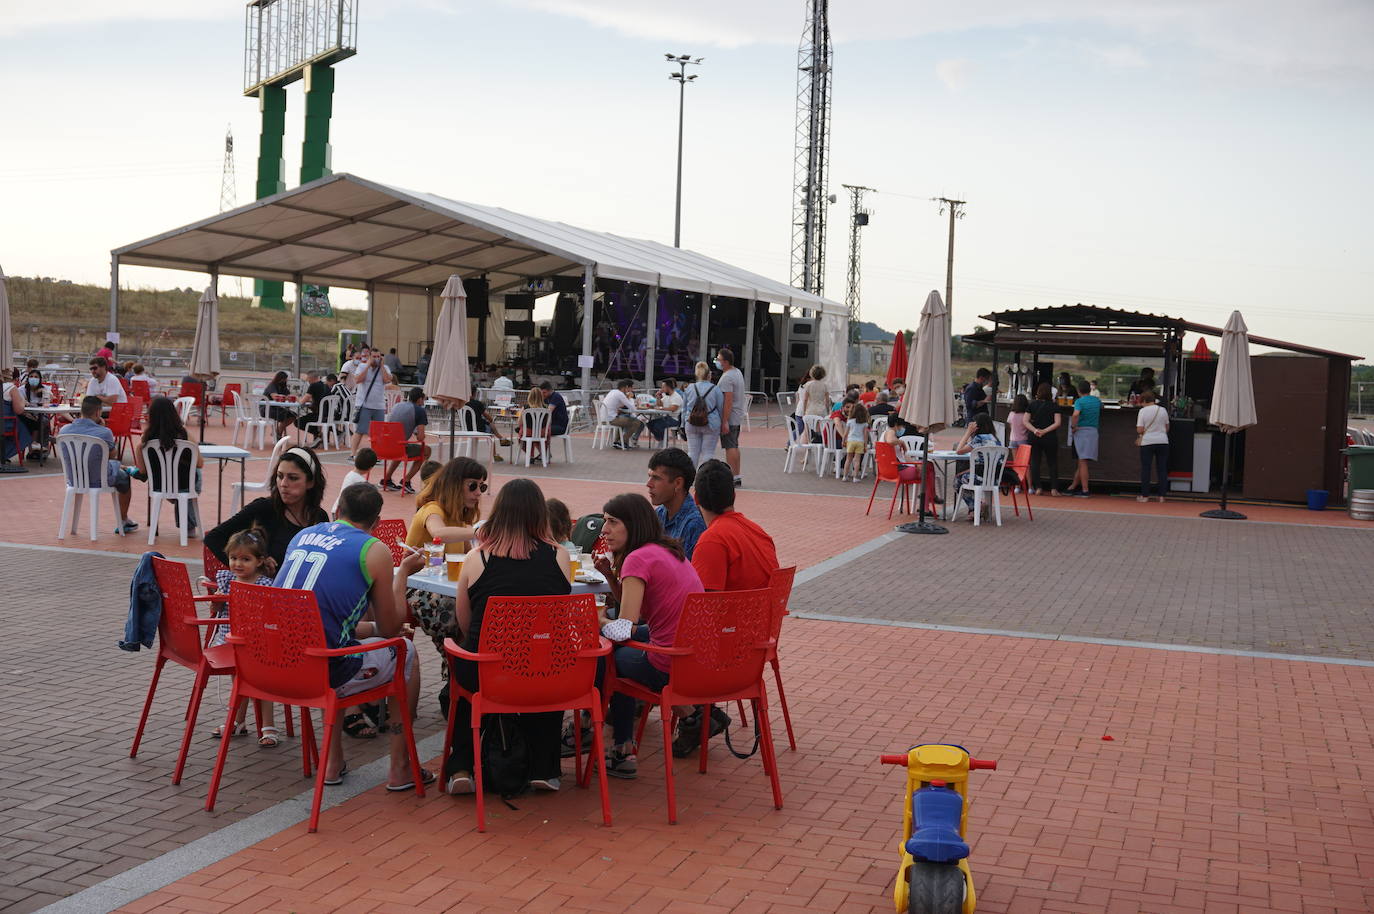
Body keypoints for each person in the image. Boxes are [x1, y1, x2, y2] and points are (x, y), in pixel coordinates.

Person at [276, 482, 433, 791]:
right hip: (323, 669)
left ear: (337, 511)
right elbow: (391, 629)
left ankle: (332, 763)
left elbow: (324, 619)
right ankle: (401, 768)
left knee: (332, 642)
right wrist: (402, 574)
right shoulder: (373, 549)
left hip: (275, 661)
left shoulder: (304, 534)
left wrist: (373, 630)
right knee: (406, 652)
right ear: (376, 523)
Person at [443, 479, 571, 795]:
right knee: (543, 666)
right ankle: (543, 767)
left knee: (459, 682)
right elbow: (558, 619)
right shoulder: (560, 556)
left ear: (498, 513)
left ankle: (461, 767)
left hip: (487, 670)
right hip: (541, 670)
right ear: (539, 514)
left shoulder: (478, 558)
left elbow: (466, 621)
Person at [592, 493, 703, 779]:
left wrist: (598, 620)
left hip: (667, 661)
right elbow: (637, 615)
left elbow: (623, 626)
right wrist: (610, 577)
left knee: (608, 654)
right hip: (693, 657)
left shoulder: (637, 558)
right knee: (617, 646)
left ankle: (614, 745)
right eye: (605, 522)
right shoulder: (665, 549)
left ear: (634, 524)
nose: (604, 530)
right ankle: (687, 713)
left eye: (613, 522)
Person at [198, 527, 279, 744]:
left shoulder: (264, 584)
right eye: (234, 558)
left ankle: (268, 726)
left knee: (261, 683)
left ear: (260, 561)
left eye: (245, 559)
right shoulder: (226, 580)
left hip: (258, 644)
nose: (238, 564)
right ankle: (237, 721)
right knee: (239, 684)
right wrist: (216, 600)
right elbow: (216, 610)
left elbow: (271, 615)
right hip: (230, 642)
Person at [406, 457, 488, 663]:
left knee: (483, 606)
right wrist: (476, 530)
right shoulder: (432, 509)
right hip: (415, 588)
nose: (478, 492)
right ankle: (457, 668)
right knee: (457, 616)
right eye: (472, 486)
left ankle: (460, 667)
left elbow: (472, 555)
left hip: (445, 589)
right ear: (454, 485)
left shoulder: (459, 518)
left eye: (482, 486)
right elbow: (438, 533)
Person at [205, 446, 329, 568]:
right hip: (266, 587)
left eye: (293, 478)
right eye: (280, 476)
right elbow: (214, 537)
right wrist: (252, 568)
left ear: (310, 482)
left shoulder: (319, 518)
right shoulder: (264, 508)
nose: (283, 484)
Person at [690, 459, 778, 592]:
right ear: (734, 496)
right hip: (764, 611)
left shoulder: (711, 541)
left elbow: (704, 604)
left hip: (734, 612)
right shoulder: (757, 531)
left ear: (696, 498)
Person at [56, 396, 137, 531]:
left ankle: (125, 469)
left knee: (110, 465)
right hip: (99, 479)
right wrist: (103, 428)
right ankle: (123, 520)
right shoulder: (104, 433)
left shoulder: (64, 431)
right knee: (123, 478)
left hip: (74, 479)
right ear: (98, 412)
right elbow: (112, 455)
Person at [134, 395, 205, 534]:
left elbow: (142, 471)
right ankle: (188, 525)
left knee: (174, 481)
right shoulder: (185, 435)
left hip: (160, 485)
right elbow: (200, 464)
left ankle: (176, 502)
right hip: (185, 484)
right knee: (194, 474)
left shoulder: (146, 439)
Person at [646, 447, 706, 558]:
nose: (648, 484)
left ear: (678, 483)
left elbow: (690, 574)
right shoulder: (659, 514)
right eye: (649, 476)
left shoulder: (694, 525)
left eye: (656, 478)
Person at [380, 387, 430, 494]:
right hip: (399, 447)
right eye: (424, 399)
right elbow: (420, 437)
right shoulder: (420, 411)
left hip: (384, 446)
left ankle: (386, 479)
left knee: (401, 445)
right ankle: (406, 481)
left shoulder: (397, 406)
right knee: (426, 451)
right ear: (420, 399)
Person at [953, 413, 1001, 519]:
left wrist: (968, 432)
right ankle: (975, 509)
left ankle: (976, 507)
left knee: (957, 480)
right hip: (995, 479)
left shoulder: (978, 439)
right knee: (964, 476)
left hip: (980, 478)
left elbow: (959, 450)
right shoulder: (996, 439)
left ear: (977, 426)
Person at [350, 347, 393, 455]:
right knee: (360, 430)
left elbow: (387, 380)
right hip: (364, 404)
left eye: (378, 357)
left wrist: (382, 365)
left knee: (378, 432)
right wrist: (368, 365)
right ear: (369, 357)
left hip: (379, 405)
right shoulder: (362, 366)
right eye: (374, 356)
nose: (376, 359)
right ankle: (352, 453)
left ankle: (376, 454)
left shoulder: (385, 368)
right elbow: (358, 379)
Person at [714, 348, 746, 487]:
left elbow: (728, 400)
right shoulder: (737, 372)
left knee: (729, 446)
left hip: (730, 417)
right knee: (734, 445)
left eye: (719, 359)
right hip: (736, 416)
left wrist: (724, 421)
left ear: (726, 362)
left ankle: (732, 476)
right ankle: (737, 475)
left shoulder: (727, 377)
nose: (717, 362)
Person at [681, 361, 723, 466]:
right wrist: (722, 423)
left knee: (692, 453)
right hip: (711, 423)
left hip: (691, 422)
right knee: (708, 453)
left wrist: (682, 424)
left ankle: (690, 477)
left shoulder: (689, 388)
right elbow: (721, 408)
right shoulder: (715, 389)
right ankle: (705, 478)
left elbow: (684, 409)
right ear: (709, 374)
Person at [1025, 383, 1063, 496]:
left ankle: (1038, 488)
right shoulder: (1054, 405)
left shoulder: (1032, 404)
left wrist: (1035, 430)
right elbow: (1058, 423)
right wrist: (1045, 431)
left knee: (1035, 462)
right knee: (1052, 462)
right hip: (1050, 437)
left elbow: (1025, 421)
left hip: (1034, 437)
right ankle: (1054, 489)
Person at [1067, 380, 1101, 497]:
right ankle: (1073, 486)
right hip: (1093, 432)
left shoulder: (1079, 401)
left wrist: (1073, 426)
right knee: (1083, 461)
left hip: (1082, 432)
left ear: (1078, 391)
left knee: (1082, 461)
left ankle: (1085, 490)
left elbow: (1076, 414)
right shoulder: (1096, 400)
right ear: (1090, 389)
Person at [1136, 389, 1170, 503]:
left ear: (1145, 400)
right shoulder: (1163, 410)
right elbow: (1167, 428)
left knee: (1146, 469)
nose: (1141, 404)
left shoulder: (1143, 412)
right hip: (1163, 441)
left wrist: (1145, 431)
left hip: (1147, 442)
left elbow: (1139, 429)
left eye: (1141, 401)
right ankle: (1161, 496)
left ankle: (1145, 496)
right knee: (1162, 469)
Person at [2, 369, 34, 465]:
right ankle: (4, 455)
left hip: (4, 421)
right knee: (26, 427)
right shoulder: (11, 388)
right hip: (6, 423)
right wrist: (23, 402)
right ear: (16, 378)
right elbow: (19, 410)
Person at [332, 447, 378, 516]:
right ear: (370, 468)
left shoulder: (350, 474)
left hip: (337, 509)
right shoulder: (363, 483)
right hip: (346, 515)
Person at [601, 378, 643, 449]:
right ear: (626, 387)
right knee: (637, 422)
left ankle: (617, 442)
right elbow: (632, 408)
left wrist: (627, 398)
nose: (631, 389)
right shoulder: (620, 394)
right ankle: (623, 442)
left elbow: (620, 405)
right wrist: (630, 397)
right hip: (611, 419)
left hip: (604, 418)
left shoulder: (613, 391)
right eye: (631, 387)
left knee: (625, 419)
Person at [294, 369, 331, 446]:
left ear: (312, 378)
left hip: (319, 415)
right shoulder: (325, 386)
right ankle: (319, 436)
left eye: (308, 379)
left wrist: (296, 398)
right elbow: (319, 398)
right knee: (309, 417)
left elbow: (302, 402)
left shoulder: (313, 386)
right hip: (328, 415)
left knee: (298, 422)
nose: (307, 381)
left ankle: (318, 435)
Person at [518, 387, 551, 463]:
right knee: (546, 432)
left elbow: (519, 423)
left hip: (528, 432)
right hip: (542, 433)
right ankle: (543, 452)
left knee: (524, 434)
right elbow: (548, 422)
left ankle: (530, 455)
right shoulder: (546, 408)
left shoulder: (526, 407)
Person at [646, 378, 683, 444]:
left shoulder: (676, 396)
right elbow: (660, 404)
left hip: (674, 419)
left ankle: (663, 441)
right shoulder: (666, 396)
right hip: (667, 417)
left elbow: (673, 408)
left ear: (668, 387)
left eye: (663, 387)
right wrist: (658, 398)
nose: (661, 389)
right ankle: (662, 439)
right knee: (650, 424)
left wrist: (660, 408)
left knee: (658, 425)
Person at [840, 401, 869, 482]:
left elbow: (846, 433)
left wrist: (843, 441)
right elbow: (865, 435)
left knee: (848, 459)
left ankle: (845, 476)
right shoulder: (864, 423)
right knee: (857, 460)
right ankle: (855, 477)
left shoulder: (850, 421)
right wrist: (865, 445)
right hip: (860, 442)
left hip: (850, 441)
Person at [262, 370, 295, 439]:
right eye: (284, 379)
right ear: (280, 379)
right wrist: (286, 398)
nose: (285, 381)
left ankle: (277, 432)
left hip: (275, 408)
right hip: (266, 409)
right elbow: (275, 396)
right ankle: (278, 434)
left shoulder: (283, 387)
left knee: (292, 416)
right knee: (287, 416)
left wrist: (289, 397)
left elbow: (288, 395)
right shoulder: (272, 386)